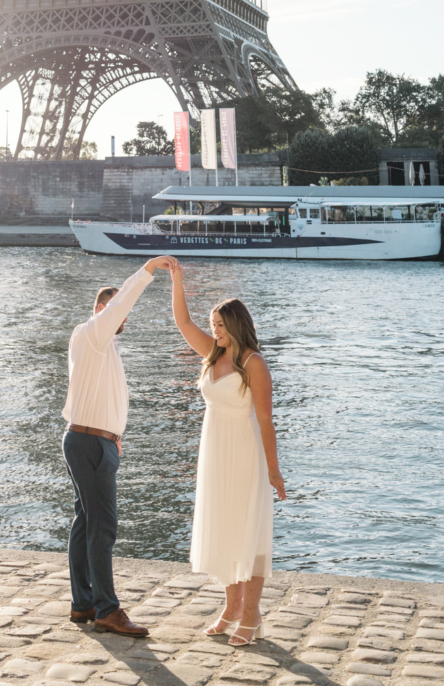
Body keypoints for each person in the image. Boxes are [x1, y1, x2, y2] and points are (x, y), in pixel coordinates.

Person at [169, 261, 286, 647]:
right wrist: (177, 280)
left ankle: (251, 613)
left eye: (220, 325)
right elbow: (184, 324)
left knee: (248, 533)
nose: (214, 331)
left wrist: (274, 471)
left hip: (245, 454)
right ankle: (231, 606)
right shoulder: (212, 353)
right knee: (224, 528)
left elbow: (266, 422)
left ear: (235, 325)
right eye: (213, 325)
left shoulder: (254, 364)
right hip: (215, 451)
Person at [62, 256, 176, 637]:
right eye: (113, 310)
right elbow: (123, 301)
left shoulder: (101, 347)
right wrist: (148, 270)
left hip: (94, 440)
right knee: (103, 527)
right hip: (90, 442)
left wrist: (115, 437)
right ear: (100, 310)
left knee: (86, 522)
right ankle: (108, 609)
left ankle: (84, 603)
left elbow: (105, 397)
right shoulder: (92, 333)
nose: (121, 317)